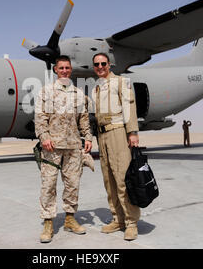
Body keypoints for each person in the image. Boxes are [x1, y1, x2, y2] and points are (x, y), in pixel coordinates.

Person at [34, 55, 92, 243]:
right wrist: (44, 137)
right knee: (48, 185)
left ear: (70, 70)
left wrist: (88, 137)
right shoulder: (46, 92)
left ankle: (69, 219)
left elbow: (83, 118)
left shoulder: (78, 94)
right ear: (56, 70)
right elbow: (40, 117)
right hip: (52, 146)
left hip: (74, 146)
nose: (65, 71)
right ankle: (48, 222)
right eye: (61, 68)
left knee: (72, 184)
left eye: (67, 68)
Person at [91, 52, 141, 241]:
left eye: (103, 63)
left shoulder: (121, 82)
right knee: (109, 181)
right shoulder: (96, 87)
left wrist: (133, 132)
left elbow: (129, 106)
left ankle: (131, 222)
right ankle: (117, 218)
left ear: (109, 64)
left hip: (118, 132)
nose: (100, 67)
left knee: (122, 178)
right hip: (102, 136)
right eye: (97, 64)